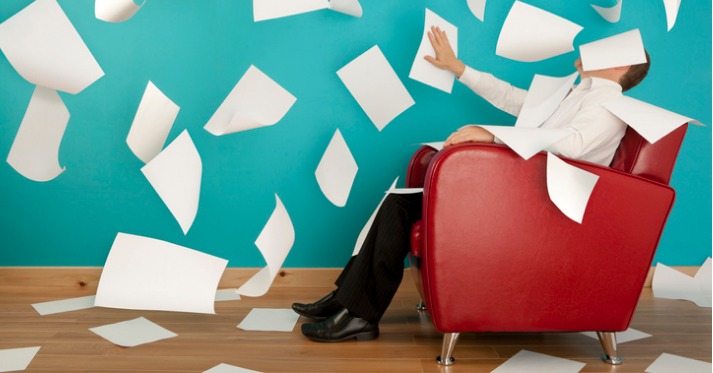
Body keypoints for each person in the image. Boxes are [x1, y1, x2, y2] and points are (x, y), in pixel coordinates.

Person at [293, 26, 651, 343]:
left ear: (621, 66)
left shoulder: (607, 102)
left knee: (400, 207)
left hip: (539, 209)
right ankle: (350, 303)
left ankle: (358, 313)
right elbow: (512, 98)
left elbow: (572, 145)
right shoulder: (577, 94)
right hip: (522, 193)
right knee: (398, 205)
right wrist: (457, 68)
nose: (589, 49)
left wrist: (492, 137)